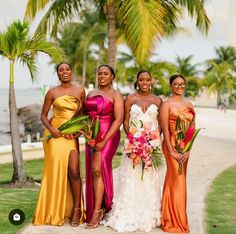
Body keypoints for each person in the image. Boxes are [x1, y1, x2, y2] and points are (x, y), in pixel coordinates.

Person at [102, 70, 163, 232]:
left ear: (151, 81)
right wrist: (134, 138)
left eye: (147, 79)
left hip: (152, 145)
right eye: (141, 79)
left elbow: (161, 124)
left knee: (149, 178)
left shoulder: (157, 100)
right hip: (133, 144)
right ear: (137, 81)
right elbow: (125, 121)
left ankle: (149, 214)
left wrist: (152, 141)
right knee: (132, 176)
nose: (144, 82)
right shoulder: (130, 99)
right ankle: (129, 213)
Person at [32, 62, 86, 226]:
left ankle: (76, 209)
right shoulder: (52, 92)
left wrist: (79, 131)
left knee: (74, 171)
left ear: (71, 71)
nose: (64, 72)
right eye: (61, 70)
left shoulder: (80, 91)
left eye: (67, 69)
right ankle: (54, 210)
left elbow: (82, 115)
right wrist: (52, 130)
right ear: (58, 74)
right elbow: (43, 116)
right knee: (55, 172)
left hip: (71, 137)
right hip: (54, 136)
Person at [85, 64, 124, 228]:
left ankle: (98, 210)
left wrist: (104, 139)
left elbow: (118, 119)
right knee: (94, 172)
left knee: (97, 168)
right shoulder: (91, 93)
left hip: (109, 134)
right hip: (92, 135)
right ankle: (99, 206)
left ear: (112, 76)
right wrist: (87, 134)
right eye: (99, 73)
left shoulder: (116, 95)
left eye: (105, 73)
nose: (102, 76)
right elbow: (86, 116)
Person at [160, 74, 196, 233]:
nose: (180, 86)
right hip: (171, 146)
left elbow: (192, 129)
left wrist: (188, 150)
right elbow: (166, 131)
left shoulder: (189, 104)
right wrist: (171, 151)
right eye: (176, 84)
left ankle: (168, 215)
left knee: (174, 181)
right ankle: (177, 222)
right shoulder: (166, 105)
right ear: (171, 86)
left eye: (182, 84)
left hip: (185, 147)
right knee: (178, 180)